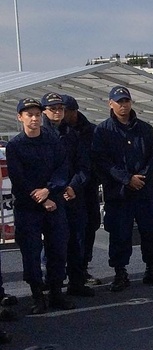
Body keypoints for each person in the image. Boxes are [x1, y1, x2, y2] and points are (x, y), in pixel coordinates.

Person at [91, 85, 153, 292]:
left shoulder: (145, 129)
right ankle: (120, 273)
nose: (123, 105)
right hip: (118, 193)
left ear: (131, 102)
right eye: (119, 101)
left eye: (126, 101)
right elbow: (102, 161)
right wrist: (127, 179)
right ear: (110, 104)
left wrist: (141, 177)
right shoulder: (102, 131)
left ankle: (152, 270)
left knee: (151, 232)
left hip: (144, 191)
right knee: (119, 234)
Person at [5, 97, 75, 314]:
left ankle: (56, 293)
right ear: (20, 118)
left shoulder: (53, 141)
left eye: (37, 114)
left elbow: (63, 168)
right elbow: (19, 178)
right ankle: (37, 296)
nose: (34, 118)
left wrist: (49, 191)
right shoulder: (15, 146)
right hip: (29, 207)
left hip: (54, 202)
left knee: (58, 249)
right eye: (29, 115)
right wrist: (42, 198)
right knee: (31, 252)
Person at [41, 92, 94, 297]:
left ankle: (76, 282)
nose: (57, 112)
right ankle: (52, 284)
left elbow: (83, 165)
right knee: (54, 242)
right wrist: (54, 189)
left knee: (77, 240)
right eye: (52, 108)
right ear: (45, 110)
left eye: (60, 108)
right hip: (50, 197)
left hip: (72, 195)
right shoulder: (38, 135)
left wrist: (73, 186)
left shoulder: (73, 135)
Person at [61, 94, 102, 286]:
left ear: (74, 111)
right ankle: (56, 272)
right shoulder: (56, 132)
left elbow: (95, 160)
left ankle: (82, 268)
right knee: (62, 230)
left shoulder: (91, 131)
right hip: (64, 188)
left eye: (65, 111)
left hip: (88, 186)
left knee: (90, 226)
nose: (61, 114)